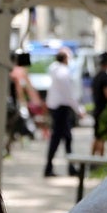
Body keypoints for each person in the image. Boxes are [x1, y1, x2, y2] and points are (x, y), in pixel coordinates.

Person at [44, 49, 81, 177]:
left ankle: (68, 167)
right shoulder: (63, 72)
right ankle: (51, 167)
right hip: (61, 108)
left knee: (66, 138)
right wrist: (79, 109)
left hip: (57, 107)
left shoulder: (54, 69)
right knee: (59, 138)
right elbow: (68, 94)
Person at [89, 52, 107, 156]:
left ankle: (92, 160)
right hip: (104, 111)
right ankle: (99, 161)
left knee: (97, 136)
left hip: (97, 109)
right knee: (101, 138)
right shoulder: (106, 78)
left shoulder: (96, 77)